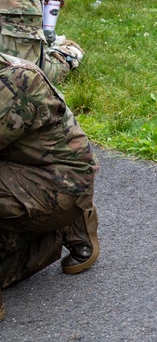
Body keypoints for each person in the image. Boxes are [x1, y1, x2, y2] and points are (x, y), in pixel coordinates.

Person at [0, 53, 99, 322]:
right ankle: (48, 237)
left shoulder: (13, 81)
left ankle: (69, 219)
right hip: (26, 171)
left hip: (58, 185)